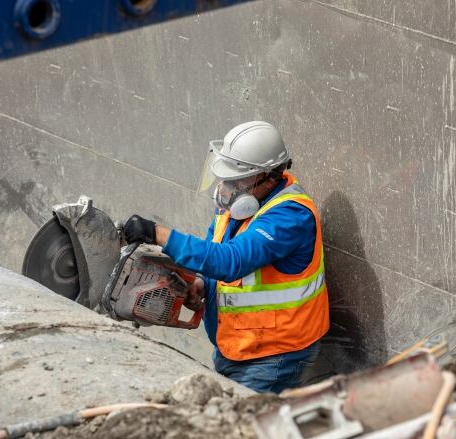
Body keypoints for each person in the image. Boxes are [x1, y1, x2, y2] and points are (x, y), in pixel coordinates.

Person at [123, 121, 329, 393]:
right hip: (238, 344)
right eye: (224, 177)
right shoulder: (241, 204)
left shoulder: (290, 216)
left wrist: (157, 234)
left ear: (269, 176)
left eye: (237, 180)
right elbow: (216, 255)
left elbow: (230, 261)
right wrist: (202, 285)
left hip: (274, 354)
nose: (226, 187)